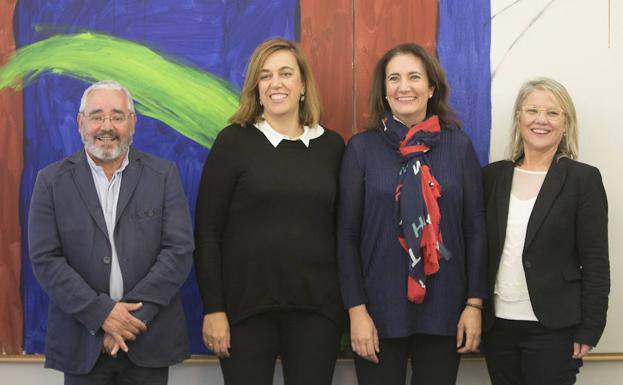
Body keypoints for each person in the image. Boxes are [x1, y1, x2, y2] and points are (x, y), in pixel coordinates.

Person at [193, 37, 345, 385]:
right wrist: (214, 309)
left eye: (286, 73)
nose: (275, 83)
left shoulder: (332, 147)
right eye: (265, 76)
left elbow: (342, 232)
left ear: (303, 84)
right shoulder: (233, 142)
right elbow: (206, 233)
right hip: (244, 312)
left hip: (317, 312)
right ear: (256, 89)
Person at [337, 43, 487, 385]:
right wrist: (357, 311)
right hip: (378, 309)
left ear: (431, 88)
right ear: (384, 91)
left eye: (414, 77)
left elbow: (475, 227)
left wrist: (474, 305)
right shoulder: (361, 149)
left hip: (445, 306)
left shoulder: (458, 146)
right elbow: (346, 236)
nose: (404, 86)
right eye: (394, 78)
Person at [28, 80, 194, 385]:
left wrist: (128, 322)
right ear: (80, 122)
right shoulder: (51, 182)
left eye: (118, 116)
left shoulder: (163, 175)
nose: (107, 126)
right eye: (96, 116)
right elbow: (45, 260)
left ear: (133, 123)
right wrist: (102, 315)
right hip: (82, 343)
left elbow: (178, 251)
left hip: (148, 341)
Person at [482, 78, 610, 385]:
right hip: (497, 327)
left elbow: (595, 261)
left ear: (566, 124)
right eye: (533, 110)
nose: (541, 120)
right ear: (519, 117)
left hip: (555, 329)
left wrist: (591, 328)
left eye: (553, 113)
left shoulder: (583, 180)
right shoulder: (492, 177)